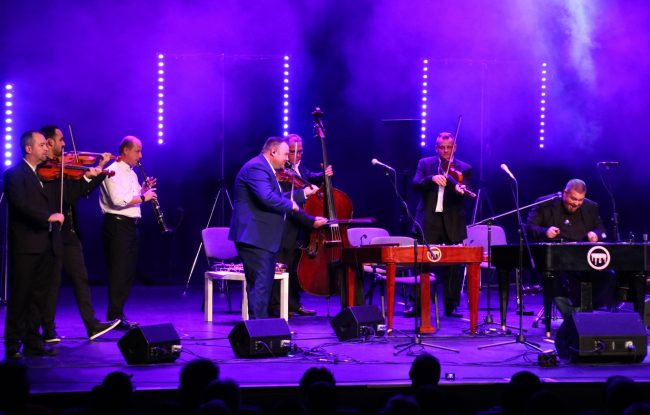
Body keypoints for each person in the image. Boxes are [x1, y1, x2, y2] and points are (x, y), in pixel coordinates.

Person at [229, 136, 327, 319]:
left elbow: (278, 196)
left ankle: (259, 326)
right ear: (273, 152)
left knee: (261, 284)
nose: (287, 159)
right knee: (261, 284)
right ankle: (261, 328)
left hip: (261, 238)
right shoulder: (257, 168)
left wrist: (303, 194)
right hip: (254, 237)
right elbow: (267, 198)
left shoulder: (266, 168)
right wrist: (291, 206)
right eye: (285, 154)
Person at [39, 126, 121, 342]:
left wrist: (99, 169)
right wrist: (86, 177)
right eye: (61, 139)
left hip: (70, 233)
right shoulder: (44, 169)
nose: (65, 144)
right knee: (52, 283)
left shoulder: (64, 168)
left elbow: (81, 192)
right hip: (52, 234)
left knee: (81, 279)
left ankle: (92, 325)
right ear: (49, 142)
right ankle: (48, 330)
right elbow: (68, 196)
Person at [3, 130, 64, 358]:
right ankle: (12, 343)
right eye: (41, 145)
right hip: (26, 247)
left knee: (38, 297)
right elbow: (20, 206)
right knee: (20, 296)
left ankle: (32, 341)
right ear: (29, 149)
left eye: (47, 145)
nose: (46, 148)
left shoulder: (39, 174)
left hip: (43, 245)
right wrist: (48, 216)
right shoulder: (14, 174)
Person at [525, 178, 614, 318]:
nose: (576, 203)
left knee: (608, 274)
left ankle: (581, 309)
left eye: (580, 200)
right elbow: (529, 228)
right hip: (555, 257)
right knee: (552, 275)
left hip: (582, 258)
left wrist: (596, 235)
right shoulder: (545, 203)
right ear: (564, 193)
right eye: (573, 199)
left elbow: (602, 230)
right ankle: (570, 315)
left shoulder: (591, 206)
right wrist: (545, 231)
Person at [269, 133, 333, 317]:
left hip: (300, 225)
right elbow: (286, 199)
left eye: (300, 152)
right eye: (292, 152)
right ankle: (276, 306)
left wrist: (323, 176)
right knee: (282, 266)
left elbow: (308, 178)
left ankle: (293, 304)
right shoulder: (280, 172)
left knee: (295, 267)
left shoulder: (299, 168)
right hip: (286, 224)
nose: (297, 155)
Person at [99, 136, 157, 328]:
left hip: (131, 226)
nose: (140, 155)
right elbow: (117, 201)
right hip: (117, 225)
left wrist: (142, 190)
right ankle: (114, 316)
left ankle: (119, 314)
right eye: (137, 151)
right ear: (125, 150)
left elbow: (131, 197)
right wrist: (143, 197)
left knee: (128, 272)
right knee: (118, 271)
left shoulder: (132, 174)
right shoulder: (112, 170)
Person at [413, 131, 472, 318]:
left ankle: (451, 305)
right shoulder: (425, 164)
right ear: (436, 148)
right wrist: (430, 179)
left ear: (455, 148)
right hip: (429, 220)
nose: (445, 151)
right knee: (423, 263)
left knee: (454, 265)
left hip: (453, 221)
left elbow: (465, 191)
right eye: (442, 147)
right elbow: (415, 184)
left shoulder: (464, 168)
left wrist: (461, 190)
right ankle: (418, 304)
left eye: (449, 147)